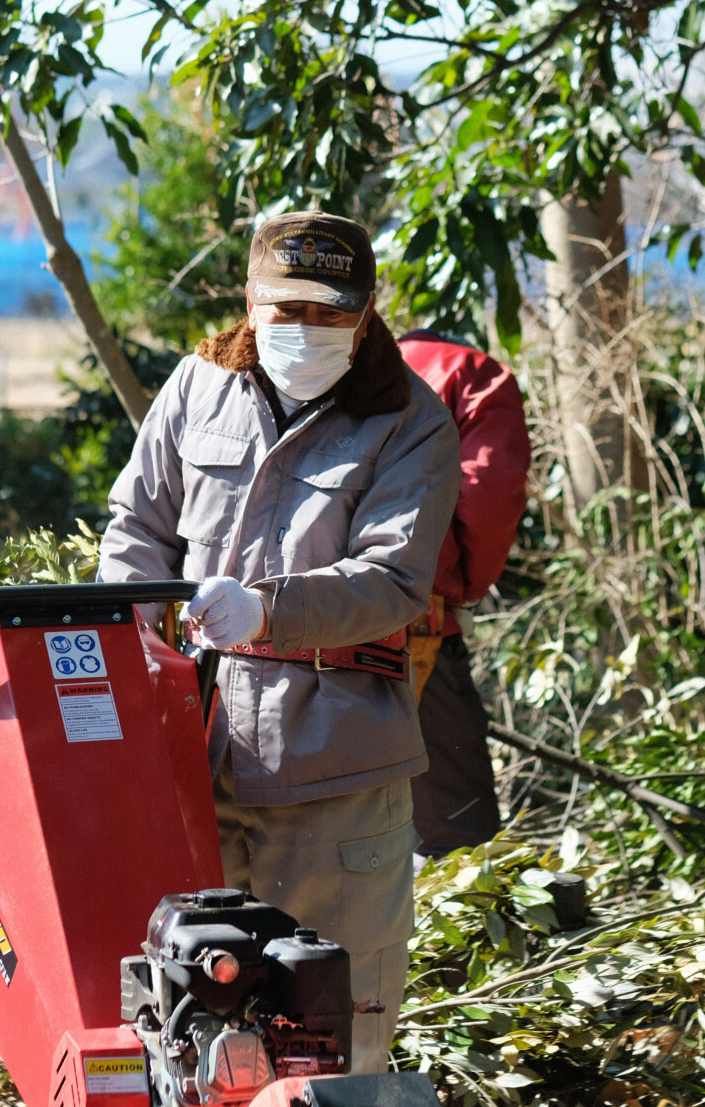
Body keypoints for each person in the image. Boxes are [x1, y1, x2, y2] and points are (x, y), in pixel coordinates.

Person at [98, 212, 459, 1073]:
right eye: (285, 307)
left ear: (367, 310)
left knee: (332, 1031)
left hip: (336, 774)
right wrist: (130, 633)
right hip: (196, 753)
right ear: (250, 299)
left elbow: (395, 580)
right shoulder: (197, 386)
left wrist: (266, 610)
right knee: (189, 1019)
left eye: (330, 312)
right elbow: (137, 524)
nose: (305, 329)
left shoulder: (410, 422)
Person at [394, 331, 531, 857]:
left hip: (293, 622)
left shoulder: (353, 358)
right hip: (414, 622)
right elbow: (489, 492)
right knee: (459, 829)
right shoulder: (475, 374)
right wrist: (464, 587)